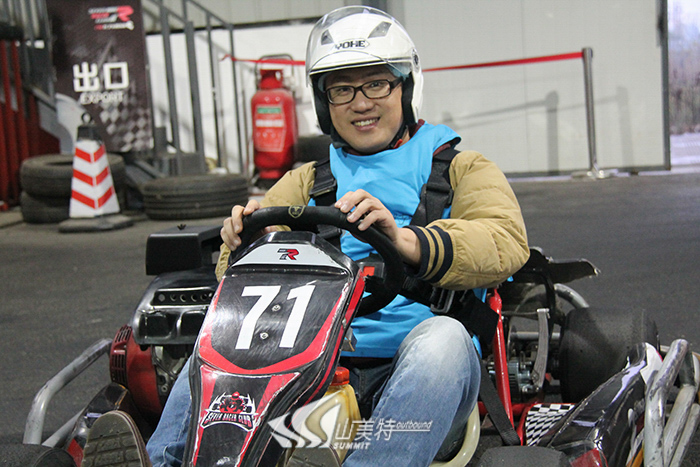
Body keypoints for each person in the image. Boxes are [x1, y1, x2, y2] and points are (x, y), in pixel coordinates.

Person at [82, 6, 528, 467]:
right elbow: (233, 278)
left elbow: (504, 240)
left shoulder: (458, 167)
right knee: (219, 339)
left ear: (406, 87)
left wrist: (406, 241)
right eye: (342, 89)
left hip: (417, 379)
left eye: (377, 84)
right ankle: (164, 461)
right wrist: (246, 245)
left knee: (444, 338)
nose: (360, 103)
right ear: (323, 102)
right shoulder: (307, 181)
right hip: (309, 369)